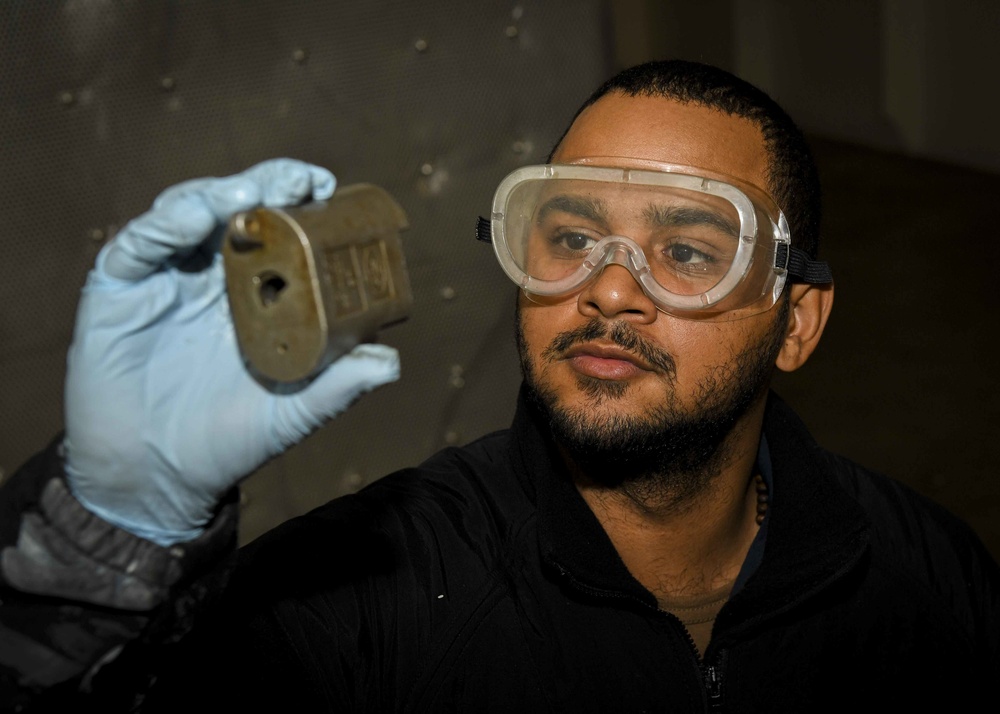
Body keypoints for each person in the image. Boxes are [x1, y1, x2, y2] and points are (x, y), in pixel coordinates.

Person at [1, 59, 997, 713]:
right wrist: (104, 547)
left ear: (797, 324)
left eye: (687, 249)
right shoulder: (352, 609)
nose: (607, 288)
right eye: (567, 237)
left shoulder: (928, 577)